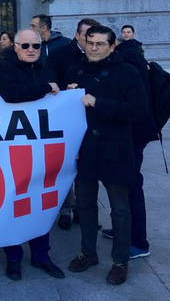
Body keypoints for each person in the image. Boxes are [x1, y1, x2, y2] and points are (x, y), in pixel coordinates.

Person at [65, 25, 146, 285]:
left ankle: (120, 261)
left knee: (120, 209)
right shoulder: (76, 71)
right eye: (90, 42)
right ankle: (88, 253)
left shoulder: (128, 73)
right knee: (86, 205)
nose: (94, 47)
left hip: (116, 149)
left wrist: (98, 103)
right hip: (85, 150)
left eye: (100, 43)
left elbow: (136, 111)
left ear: (112, 46)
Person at [0, 29, 65, 280]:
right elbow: (10, 94)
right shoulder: (4, 68)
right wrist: (45, 88)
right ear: (15, 47)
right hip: (11, 150)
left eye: (35, 45)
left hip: (41, 150)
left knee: (40, 202)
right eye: (25, 45)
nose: (31, 49)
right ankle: (13, 258)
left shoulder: (47, 68)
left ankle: (41, 256)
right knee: (15, 203)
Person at [105, 23, 156, 259]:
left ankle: (138, 241)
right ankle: (124, 230)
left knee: (131, 185)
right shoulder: (131, 56)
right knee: (122, 184)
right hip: (130, 133)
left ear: (111, 45)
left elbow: (135, 105)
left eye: (98, 43)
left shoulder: (128, 62)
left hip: (133, 134)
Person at [45, 17, 99, 230]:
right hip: (66, 118)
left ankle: (84, 210)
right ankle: (66, 210)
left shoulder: (101, 56)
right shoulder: (60, 54)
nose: (91, 41)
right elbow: (49, 80)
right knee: (66, 163)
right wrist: (61, 89)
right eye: (87, 36)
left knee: (88, 167)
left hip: (92, 119)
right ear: (77, 35)